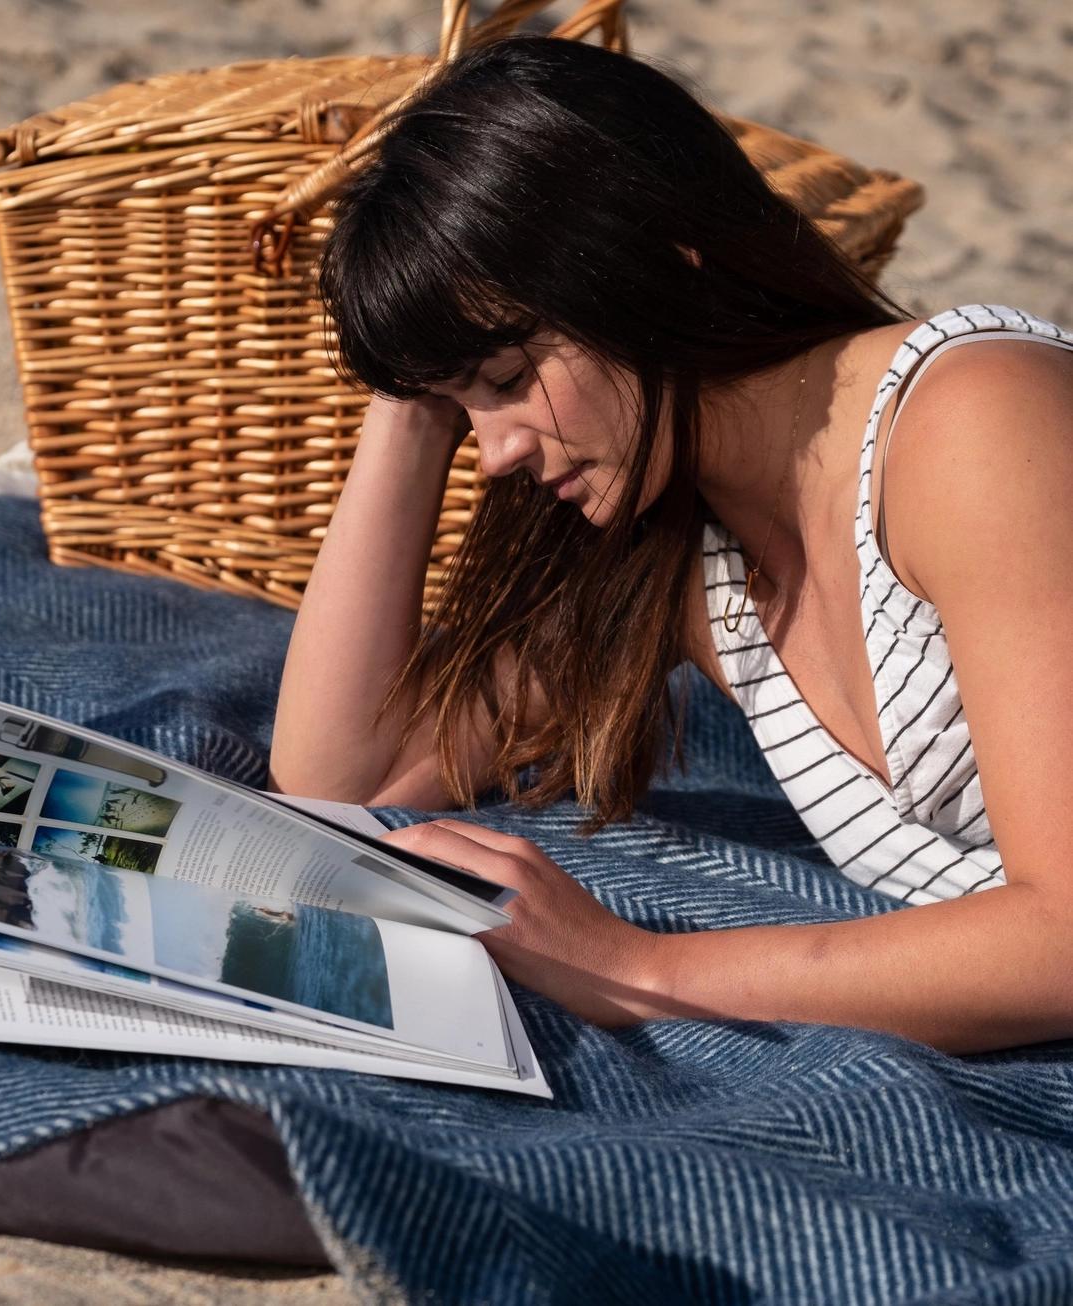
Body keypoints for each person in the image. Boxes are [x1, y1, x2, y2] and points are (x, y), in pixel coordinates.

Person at [267, 35, 1073, 1055]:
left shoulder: (974, 424)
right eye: (462, 406)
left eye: (511, 374)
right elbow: (347, 778)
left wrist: (638, 969)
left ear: (653, 264)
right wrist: (414, 378)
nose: (493, 454)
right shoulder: (678, 546)